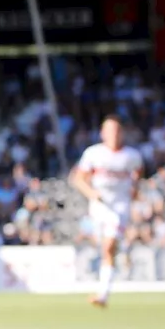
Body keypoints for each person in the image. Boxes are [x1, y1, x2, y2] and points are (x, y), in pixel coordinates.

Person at [70, 115, 143, 308]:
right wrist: (91, 193)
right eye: (110, 130)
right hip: (99, 206)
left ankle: (102, 294)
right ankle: (123, 251)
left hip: (119, 207)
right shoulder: (93, 154)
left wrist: (134, 192)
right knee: (105, 248)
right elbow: (78, 179)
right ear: (102, 133)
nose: (114, 134)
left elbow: (137, 176)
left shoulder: (132, 156)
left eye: (117, 130)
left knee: (109, 246)